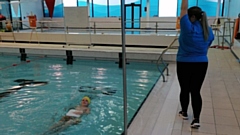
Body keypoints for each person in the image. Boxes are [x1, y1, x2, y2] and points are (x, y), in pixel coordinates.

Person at [177, 0, 214, 129]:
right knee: (196, 91)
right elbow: (207, 47)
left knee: (185, 89)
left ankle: (184, 112)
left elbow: (183, 8)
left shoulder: (187, 27)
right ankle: (196, 119)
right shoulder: (208, 31)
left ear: (192, 17)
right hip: (201, 63)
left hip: (184, 62)